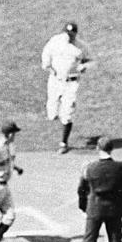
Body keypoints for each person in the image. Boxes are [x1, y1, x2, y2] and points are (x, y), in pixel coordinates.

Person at [41, 22, 93, 154]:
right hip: (55, 81)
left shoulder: (80, 46)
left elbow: (90, 60)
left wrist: (84, 66)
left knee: (67, 113)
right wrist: (49, 67)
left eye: (72, 34)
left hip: (71, 83)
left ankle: (63, 143)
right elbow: (46, 57)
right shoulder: (55, 42)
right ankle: (57, 114)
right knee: (52, 114)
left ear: (75, 34)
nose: (69, 37)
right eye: (67, 34)